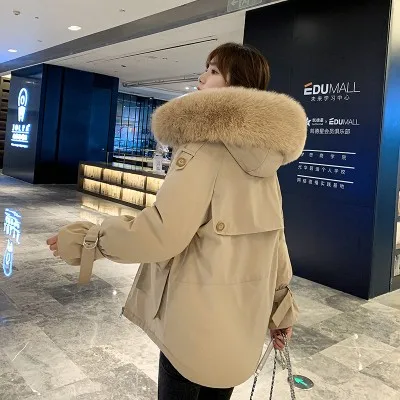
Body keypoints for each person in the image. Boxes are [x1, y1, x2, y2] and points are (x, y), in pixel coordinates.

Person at [47, 42, 307, 400]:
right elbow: (275, 243)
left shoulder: (203, 149)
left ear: (237, 85)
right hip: (240, 327)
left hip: (193, 324)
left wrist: (88, 240)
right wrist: (281, 311)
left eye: (213, 71)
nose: (201, 77)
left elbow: (161, 232)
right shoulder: (267, 163)